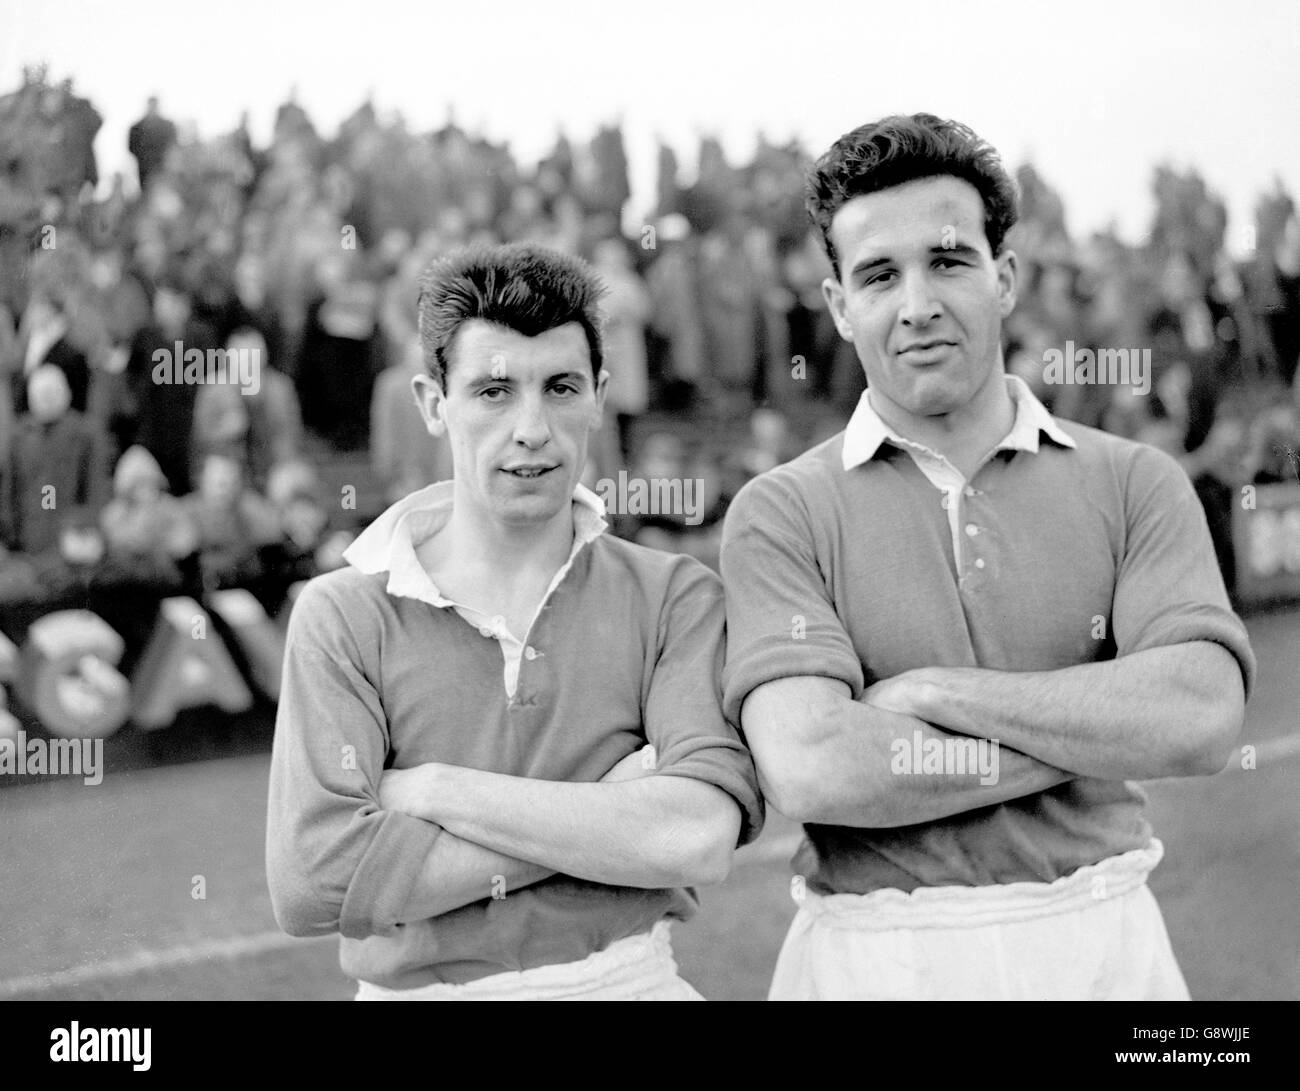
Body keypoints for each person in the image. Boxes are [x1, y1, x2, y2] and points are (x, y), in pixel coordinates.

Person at [719, 114, 1256, 1001]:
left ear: (1004, 278)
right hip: (877, 958)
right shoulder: (780, 511)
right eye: (879, 275)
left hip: (1106, 947)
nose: (918, 303)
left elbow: (1200, 715)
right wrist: (1094, 728)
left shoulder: (1135, 480)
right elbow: (817, 764)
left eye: (949, 261)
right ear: (840, 304)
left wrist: (935, 696)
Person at [267, 243, 762, 1001]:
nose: (532, 427)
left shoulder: (674, 595)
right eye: (494, 391)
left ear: (600, 393)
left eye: (560, 387)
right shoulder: (342, 613)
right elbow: (312, 882)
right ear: (434, 403)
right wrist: (615, 810)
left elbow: (695, 836)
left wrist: (434, 789)